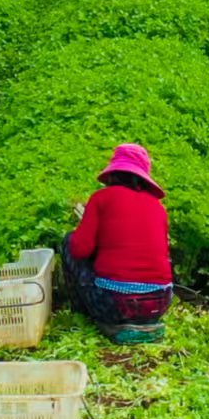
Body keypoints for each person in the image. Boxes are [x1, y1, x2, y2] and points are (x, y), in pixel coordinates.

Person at [65, 144, 174, 341]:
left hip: (115, 303)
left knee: (68, 241)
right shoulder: (158, 208)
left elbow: (80, 249)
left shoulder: (101, 199)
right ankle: (146, 324)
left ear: (113, 175)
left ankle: (85, 316)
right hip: (160, 301)